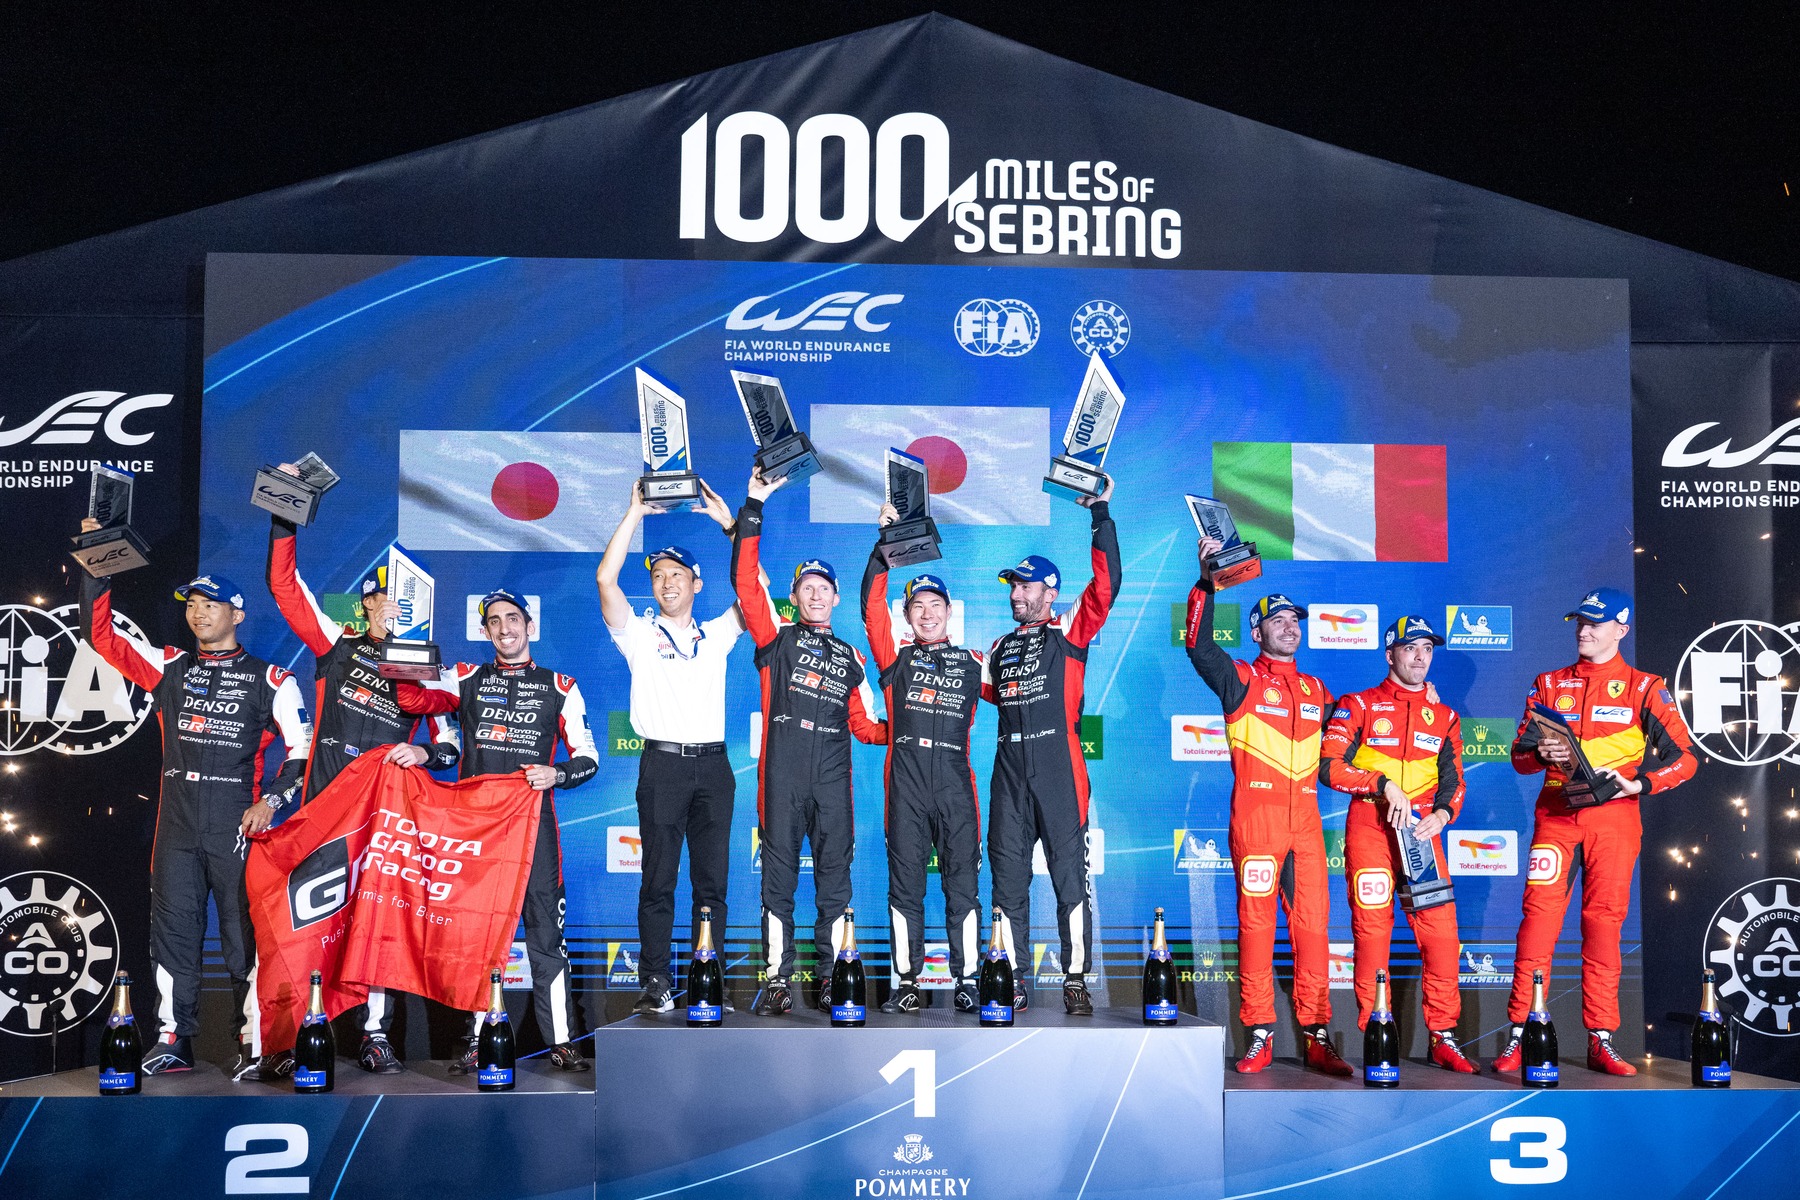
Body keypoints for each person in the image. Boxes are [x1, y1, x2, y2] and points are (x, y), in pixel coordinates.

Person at [77, 519, 312, 1080]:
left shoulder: (272, 680)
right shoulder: (170, 666)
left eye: (211, 605)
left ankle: (254, 1043)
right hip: (177, 827)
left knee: (243, 940)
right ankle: (173, 1039)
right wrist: (94, 564)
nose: (198, 614)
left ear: (238, 615)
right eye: (193, 605)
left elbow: (302, 751)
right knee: (174, 935)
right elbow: (102, 637)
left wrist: (273, 801)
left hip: (238, 826)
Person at [265, 500, 461, 1073]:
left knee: (377, 920)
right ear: (367, 603)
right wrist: (284, 519)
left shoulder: (425, 666)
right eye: (383, 598)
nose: (392, 607)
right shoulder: (338, 644)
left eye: (402, 602)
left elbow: (450, 746)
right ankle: (303, 1033)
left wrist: (424, 752)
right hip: (324, 808)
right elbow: (284, 588)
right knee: (312, 919)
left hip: (381, 817)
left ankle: (375, 1034)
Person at [1493, 587, 1697, 1077]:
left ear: (1620, 630)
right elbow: (1519, 758)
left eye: (1595, 623)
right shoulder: (1548, 683)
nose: (1583, 631)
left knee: (1604, 925)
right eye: (1580, 622)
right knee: (1538, 921)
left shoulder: (1645, 687)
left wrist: (1640, 783)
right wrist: (1540, 753)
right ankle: (1522, 1032)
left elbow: (1686, 759)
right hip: (1557, 817)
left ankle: (1601, 1038)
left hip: (1615, 820)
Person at [396, 589, 599, 1071]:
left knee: (547, 939)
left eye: (512, 618)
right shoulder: (465, 677)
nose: (504, 627)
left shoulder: (561, 686)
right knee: (475, 939)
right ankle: (475, 1040)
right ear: (485, 631)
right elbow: (412, 697)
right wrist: (404, 639)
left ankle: (562, 1041)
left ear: (530, 626)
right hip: (477, 831)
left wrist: (557, 773)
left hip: (534, 831)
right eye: (494, 621)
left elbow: (589, 758)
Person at [1184, 535, 1350, 1075]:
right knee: (1256, 929)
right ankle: (1259, 1034)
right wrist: (1207, 581)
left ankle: (1318, 1035)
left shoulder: (1319, 690)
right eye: (1277, 620)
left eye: (1294, 619)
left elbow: (1353, 739)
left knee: (1314, 930)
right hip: (1257, 823)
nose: (1289, 626)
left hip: (1307, 827)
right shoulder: (1241, 678)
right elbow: (1198, 647)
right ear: (1257, 633)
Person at [731, 467, 887, 1016]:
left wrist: (913, 729)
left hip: (832, 783)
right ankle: (777, 979)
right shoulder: (775, 637)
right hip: (782, 778)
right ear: (795, 596)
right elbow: (746, 582)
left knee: (834, 883)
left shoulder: (853, 658)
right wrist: (753, 505)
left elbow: (866, 726)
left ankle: (830, 976)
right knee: (777, 882)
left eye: (824, 588)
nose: (816, 594)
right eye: (807, 587)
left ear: (836, 597)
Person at [595, 478, 744, 1016]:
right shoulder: (637, 633)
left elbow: (754, 588)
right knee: (657, 882)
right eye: (657, 575)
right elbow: (605, 579)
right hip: (662, 765)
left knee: (712, 885)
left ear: (697, 583)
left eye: (676, 574)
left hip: (715, 768)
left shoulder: (718, 633)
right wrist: (634, 512)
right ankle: (656, 980)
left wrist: (732, 528)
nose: (666, 582)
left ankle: (708, 980)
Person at [984, 477, 1120, 1017]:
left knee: (1070, 880)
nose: (1016, 595)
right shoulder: (998, 647)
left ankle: (1075, 978)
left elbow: (1107, 585)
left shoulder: (1070, 630)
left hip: (1059, 765)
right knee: (1007, 878)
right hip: (1008, 767)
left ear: (1049, 592)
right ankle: (1011, 976)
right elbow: (969, 697)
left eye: (1025, 587)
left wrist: (1100, 515)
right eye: (1012, 587)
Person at [1318, 615, 1478, 1073]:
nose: (1420, 657)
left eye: (1427, 649)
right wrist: (1382, 784)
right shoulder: (1358, 705)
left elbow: (1454, 781)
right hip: (1370, 826)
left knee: (1442, 936)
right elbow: (1328, 765)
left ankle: (1443, 1036)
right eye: (1410, 648)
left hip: (1421, 834)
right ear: (1390, 655)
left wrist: (1444, 815)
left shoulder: (1445, 716)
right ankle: (1378, 1031)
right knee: (1372, 934)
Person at [861, 504, 984, 1015]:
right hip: (906, 788)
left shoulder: (975, 662)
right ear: (906, 615)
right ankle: (906, 982)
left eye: (936, 605)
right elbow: (870, 608)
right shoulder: (895, 658)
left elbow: (1028, 697)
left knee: (963, 887)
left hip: (957, 786)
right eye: (918, 607)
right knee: (904, 888)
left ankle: (969, 979)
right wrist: (884, 545)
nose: (928, 613)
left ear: (950, 611)